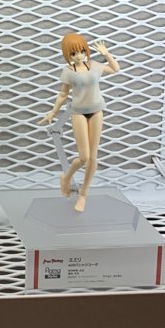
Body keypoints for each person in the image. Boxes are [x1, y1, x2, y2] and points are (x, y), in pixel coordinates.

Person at [39, 32, 120, 212]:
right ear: (67, 55)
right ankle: (66, 178)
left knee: (93, 158)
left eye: (82, 51)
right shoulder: (68, 71)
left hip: (96, 111)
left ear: (86, 51)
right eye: (73, 53)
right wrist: (53, 112)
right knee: (84, 157)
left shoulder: (95, 65)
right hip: (78, 113)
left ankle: (83, 194)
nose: (78, 56)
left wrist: (106, 53)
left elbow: (115, 69)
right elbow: (63, 94)